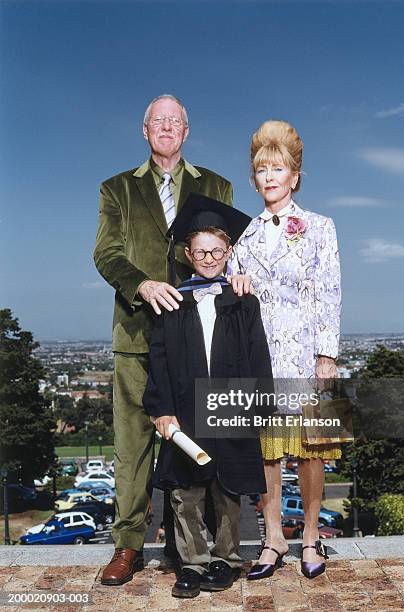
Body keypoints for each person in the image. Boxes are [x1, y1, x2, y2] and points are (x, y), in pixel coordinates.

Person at [94, 94, 234, 586]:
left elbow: (223, 251)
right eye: (159, 120)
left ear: (187, 131)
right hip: (135, 336)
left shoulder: (216, 185)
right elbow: (106, 254)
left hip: (197, 338)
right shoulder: (116, 189)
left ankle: (191, 548)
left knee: (196, 443)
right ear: (145, 130)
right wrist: (142, 284)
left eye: (175, 121)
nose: (167, 127)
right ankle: (127, 546)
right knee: (132, 447)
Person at [143, 195, 274, 598]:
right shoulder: (172, 303)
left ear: (228, 251)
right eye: (200, 251)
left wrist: (261, 405)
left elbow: (257, 354)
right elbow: (159, 360)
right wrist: (162, 409)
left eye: (217, 250)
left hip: (231, 403)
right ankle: (193, 562)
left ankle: (227, 559)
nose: (209, 257)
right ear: (188, 253)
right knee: (187, 491)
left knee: (228, 487)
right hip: (185, 405)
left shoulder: (242, 301)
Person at [227, 120, 342, 580]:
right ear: (253, 180)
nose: (270, 177)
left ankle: (311, 538)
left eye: (279, 168)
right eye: (262, 170)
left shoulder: (320, 227)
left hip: (310, 357)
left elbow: (330, 291)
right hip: (261, 361)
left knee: (312, 451)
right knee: (267, 454)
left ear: (295, 176)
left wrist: (327, 356)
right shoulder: (243, 236)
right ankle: (273, 538)